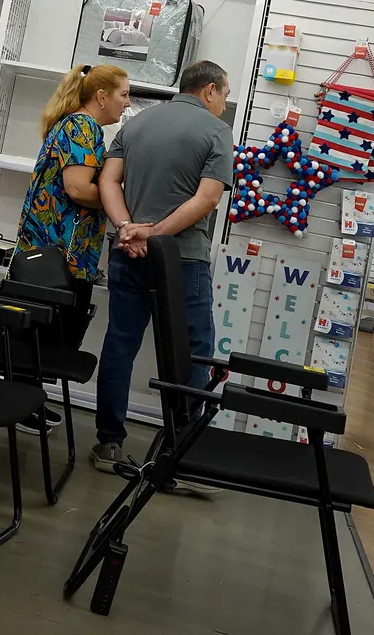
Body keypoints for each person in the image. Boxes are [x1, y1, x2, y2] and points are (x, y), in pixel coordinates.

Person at [91, 60, 232, 476]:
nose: (223, 103)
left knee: (120, 344)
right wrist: (155, 235)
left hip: (126, 252)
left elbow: (108, 182)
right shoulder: (216, 131)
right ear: (209, 90)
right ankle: (179, 453)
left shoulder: (135, 124)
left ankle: (109, 443)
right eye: (223, 94)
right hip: (182, 260)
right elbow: (207, 199)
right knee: (193, 354)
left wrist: (126, 229)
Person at [16, 64, 131, 428]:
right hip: (58, 255)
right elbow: (78, 188)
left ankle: (26, 401)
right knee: (48, 338)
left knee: (43, 336)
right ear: (101, 96)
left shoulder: (73, 124)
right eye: (123, 94)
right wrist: (118, 201)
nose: (127, 105)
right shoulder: (83, 127)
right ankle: (21, 405)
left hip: (54, 251)